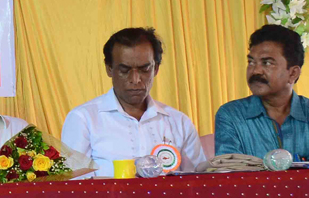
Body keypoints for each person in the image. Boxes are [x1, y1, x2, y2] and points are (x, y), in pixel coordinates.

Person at [61, 28, 206, 176]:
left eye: (144, 69)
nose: (135, 79)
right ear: (109, 68)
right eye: (124, 70)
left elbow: (199, 181)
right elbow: (74, 188)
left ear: (155, 69)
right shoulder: (83, 119)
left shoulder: (179, 122)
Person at [214, 25, 309, 161]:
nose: (256, 71)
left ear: (293, 73)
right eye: (251, 62)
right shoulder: (231, 115)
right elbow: (231, 176)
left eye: (267, 63)